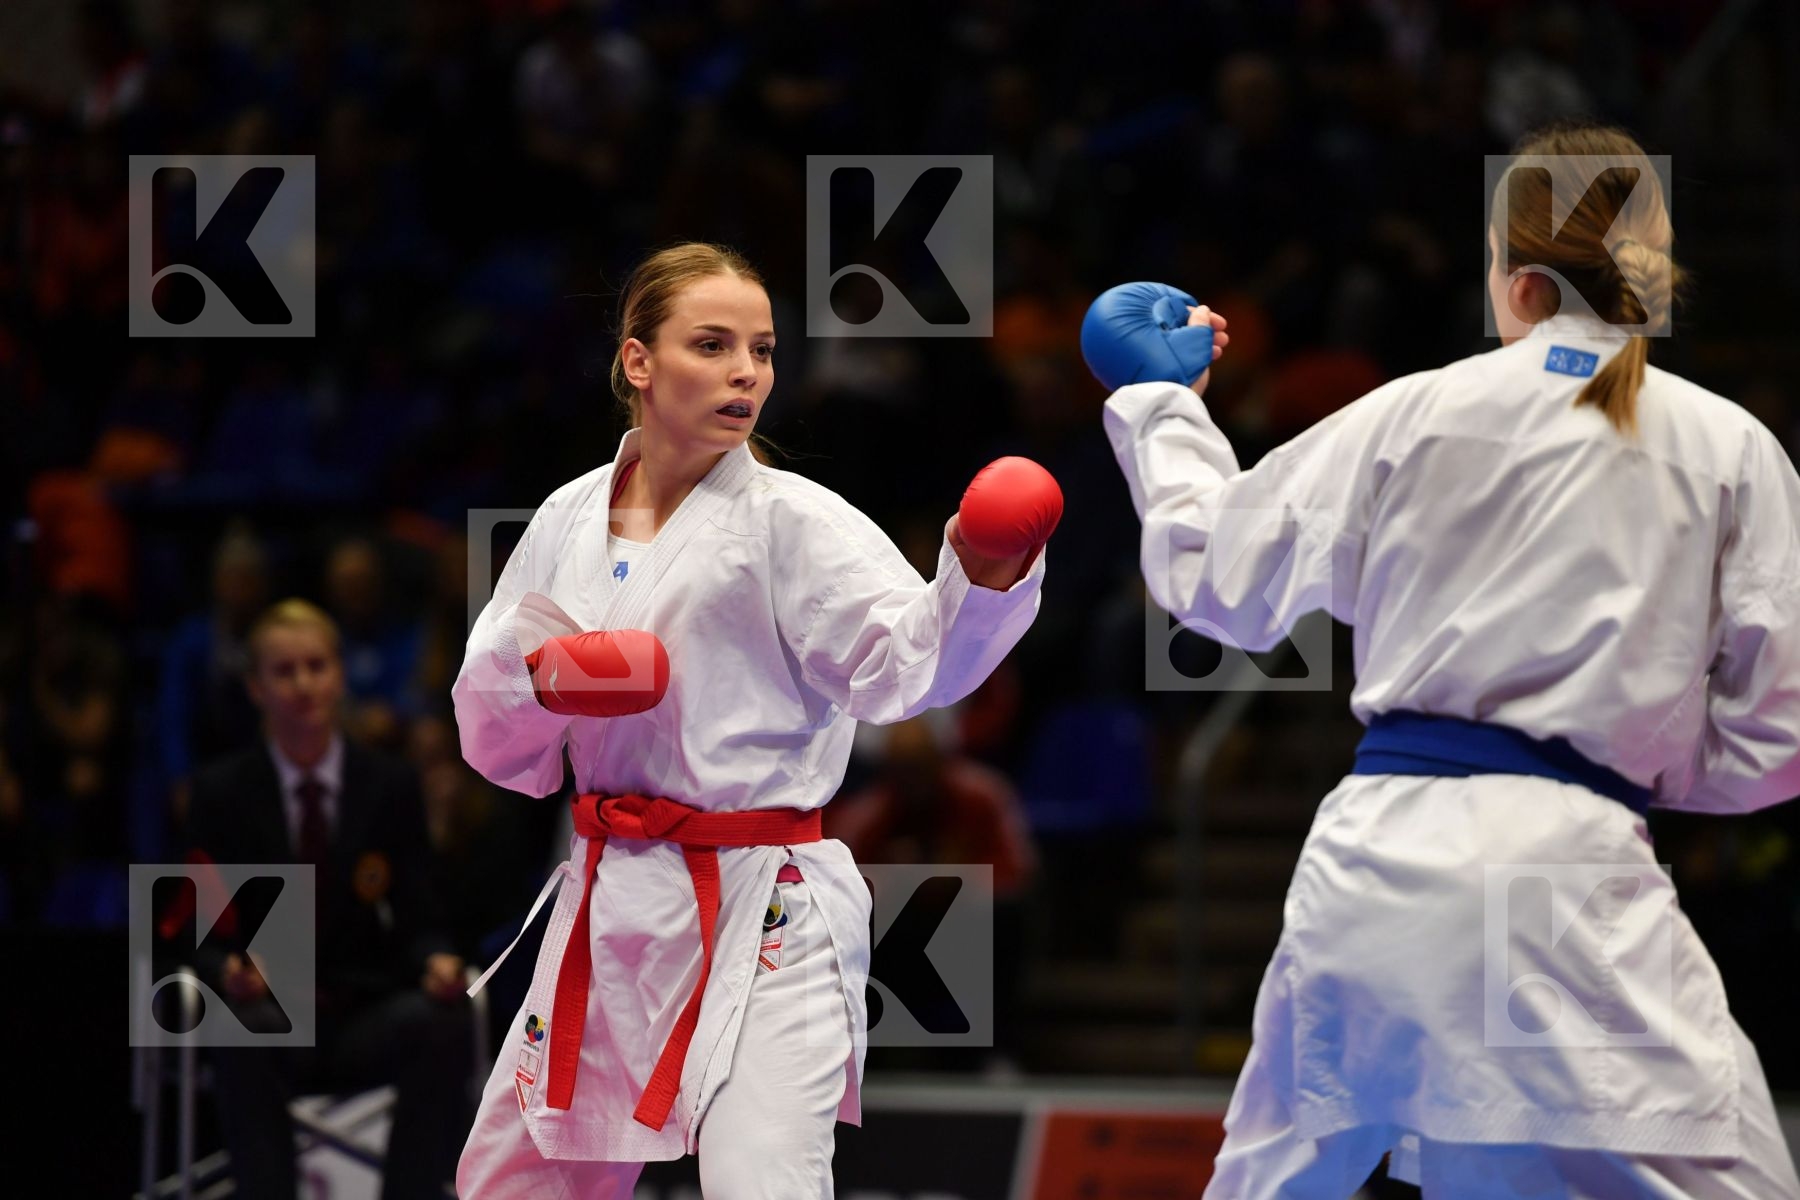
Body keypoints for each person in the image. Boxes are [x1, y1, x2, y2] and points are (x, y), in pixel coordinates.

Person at [1087, 122, 1800, 1197]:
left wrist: (1159, 405)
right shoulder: (1728, 446)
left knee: (1290, 1179)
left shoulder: (1413, 411)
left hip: (1378, 863)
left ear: (1512, 283)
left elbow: (1213, 576)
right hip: (1568, 869)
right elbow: (1778, 742)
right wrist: (1635, 755)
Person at [452, 242, 1059, 1198]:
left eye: (764, 349)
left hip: (766, 899)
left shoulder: (793, 522)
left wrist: (979, 576)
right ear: (638, 361)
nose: (747, 372)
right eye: (714, 344)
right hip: (614, 901)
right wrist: (543, 681)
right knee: (511, 1186)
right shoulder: (565, 521)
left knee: (763, 1182)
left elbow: (904, 669)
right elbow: (491, 738)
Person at [185, 599, 472, 1200]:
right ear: (256, 687)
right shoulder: (218, 793)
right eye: (284, 671)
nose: (303, 684)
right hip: (272, 1018)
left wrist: (437, 960)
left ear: (339, 675)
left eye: (316, 666)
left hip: (365, 1011)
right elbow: (187, 934)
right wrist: (228, 970)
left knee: (444, 1019)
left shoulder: (390, 784)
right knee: (242, 1024)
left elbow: (423, 914)